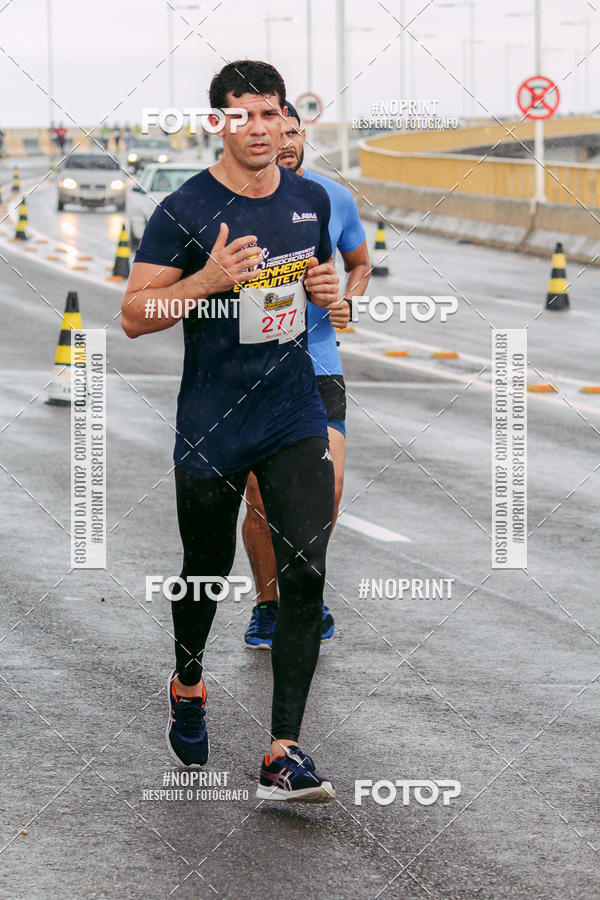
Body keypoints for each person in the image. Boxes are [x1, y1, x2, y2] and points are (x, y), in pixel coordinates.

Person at [121, 60, 341, 803]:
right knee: (205, 570)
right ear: (219, 121)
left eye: (270, 113)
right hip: (211, 419)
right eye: (241, 114)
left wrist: (329, 292)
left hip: (291, 409)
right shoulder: (185, 208)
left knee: (305, 565)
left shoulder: (310, 199)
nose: (258, 128)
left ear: (287, 121)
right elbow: (133, 318)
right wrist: (207, 281)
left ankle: (284, 751)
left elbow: (323, 288)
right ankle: (188, 681)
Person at [242, 102, 371, 649]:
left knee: (329, 489)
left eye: (295, 131)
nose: (287, 140)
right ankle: (269, 604)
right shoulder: (234, 200)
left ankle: (305, 593)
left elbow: (360, 262)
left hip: (318, 364)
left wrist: (347, 300)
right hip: (252, 371)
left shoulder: (331, 198)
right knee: (261, 499)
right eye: (278, 130)